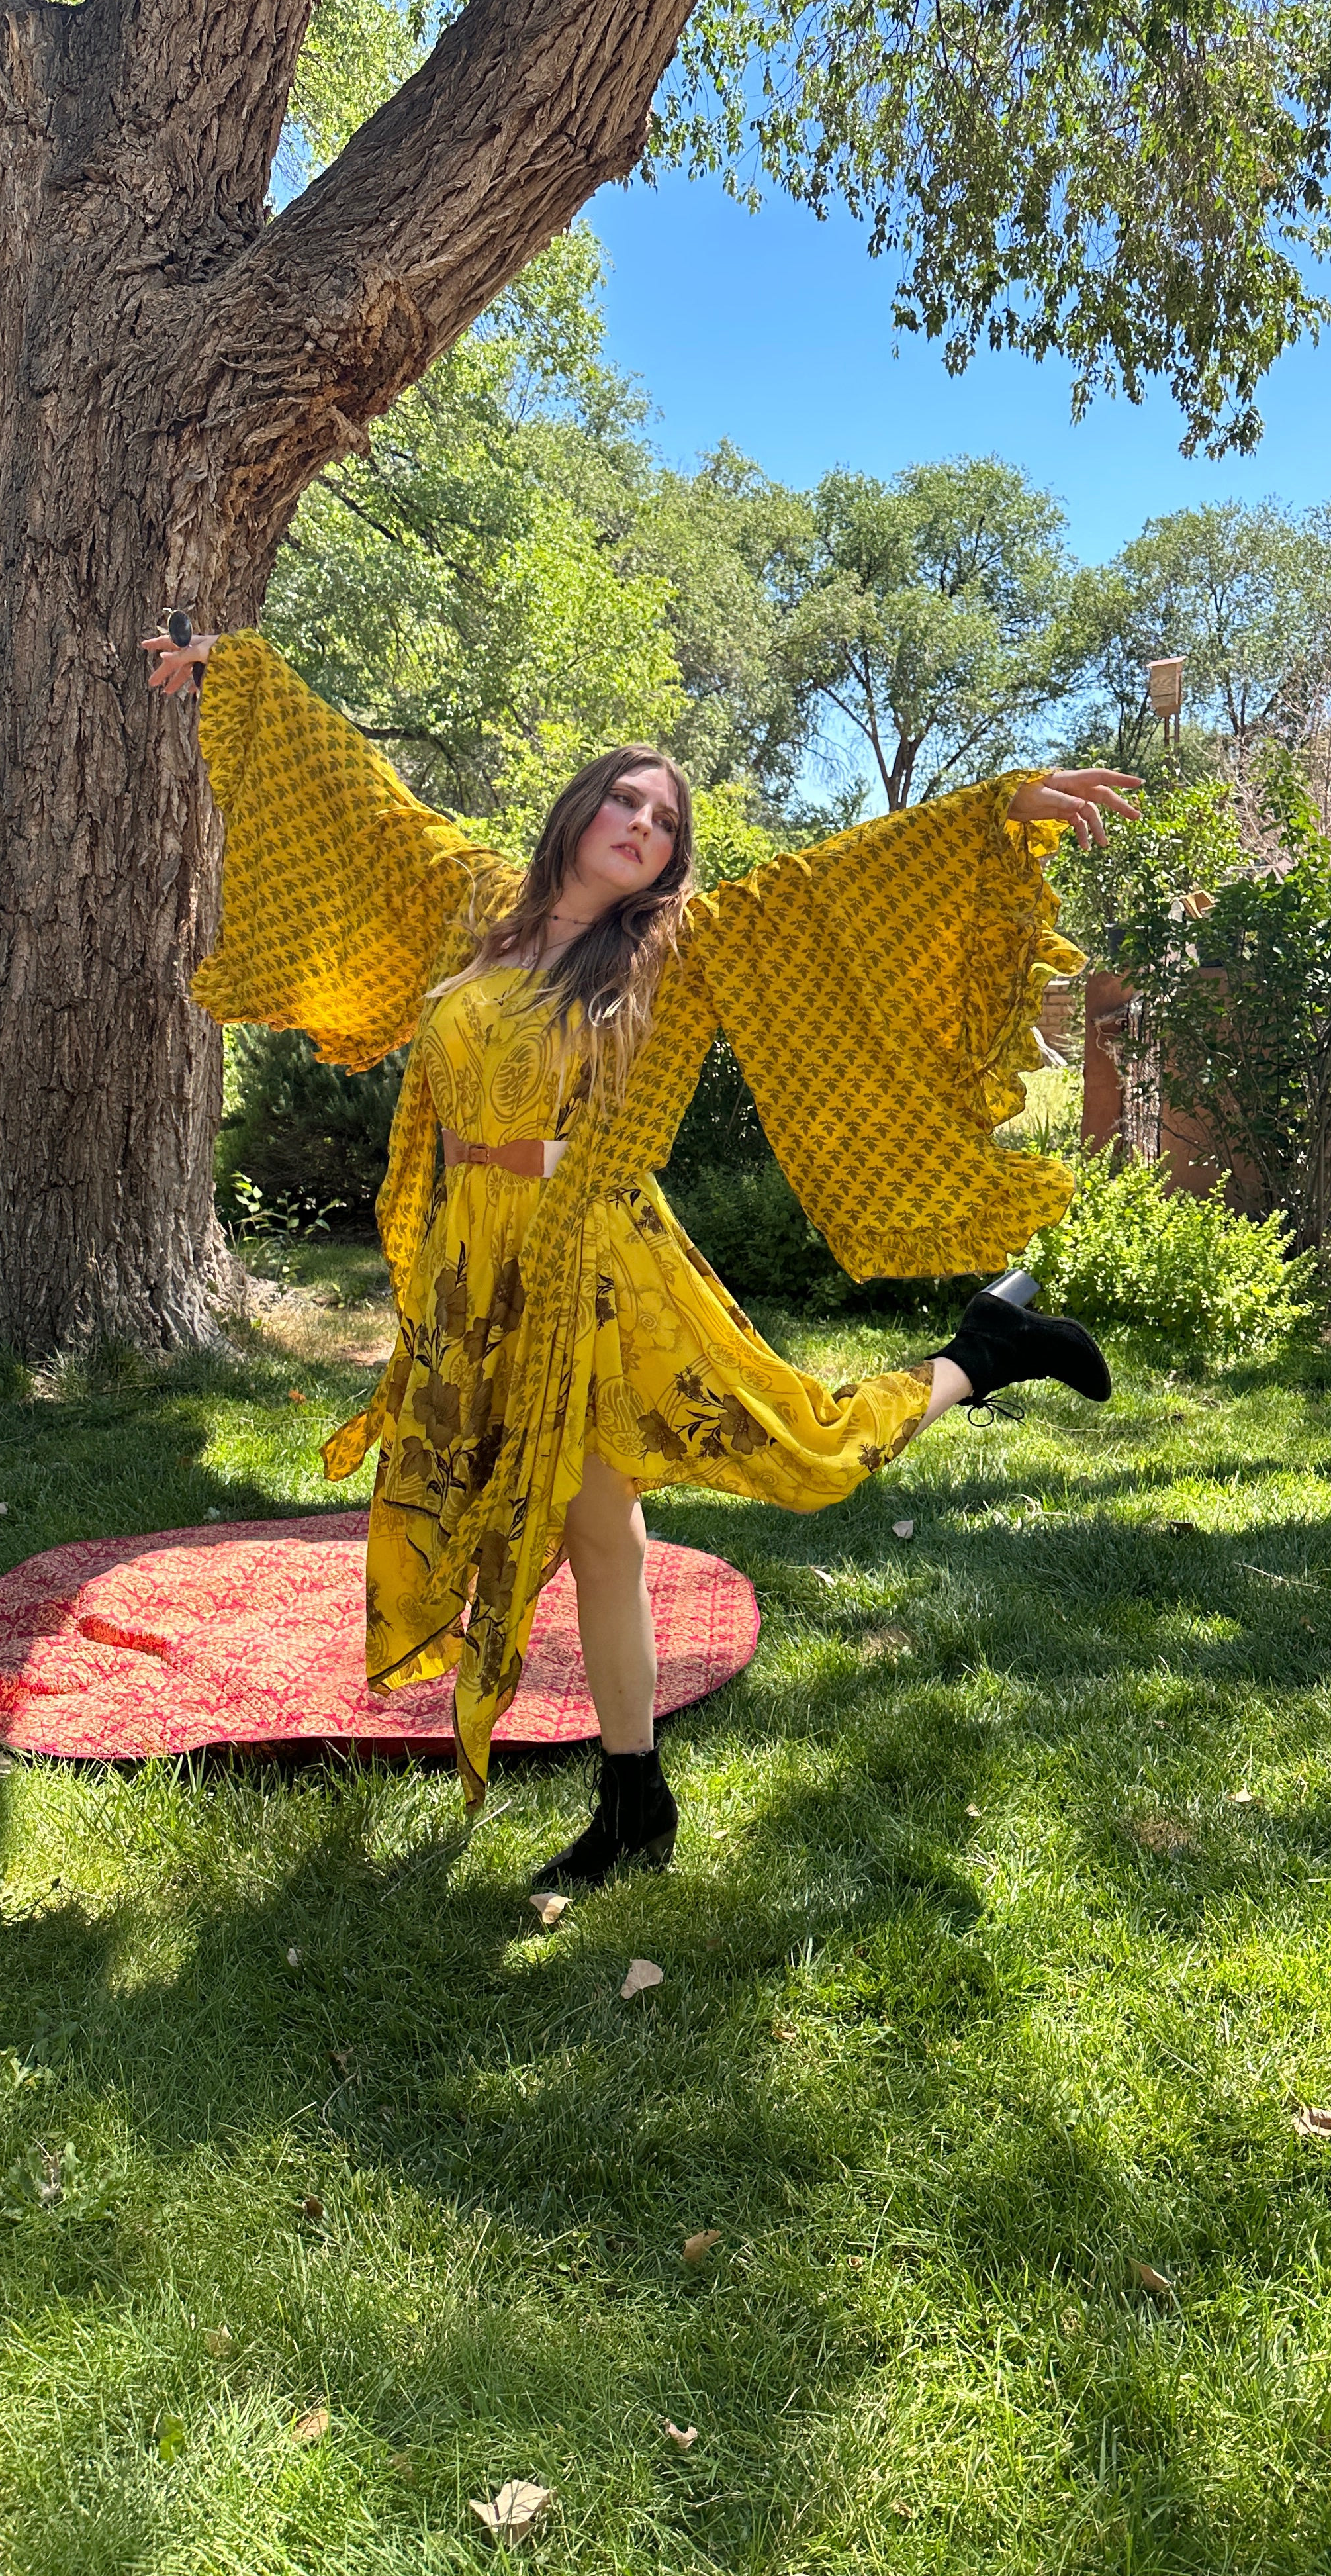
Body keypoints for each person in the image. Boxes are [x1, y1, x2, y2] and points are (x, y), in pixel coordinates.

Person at [148, 624, 1140, 1887]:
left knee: (796, 1452)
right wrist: (239, 677)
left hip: (600, 1263)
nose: (640, 823)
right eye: (623, 798)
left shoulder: (680, 947)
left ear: (673, 857)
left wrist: (993, 816)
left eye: (664, 820)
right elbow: (354, 795)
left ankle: (979, 1357)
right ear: (577, 813)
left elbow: (839, 888)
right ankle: (636, 1807)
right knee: (603, 1535)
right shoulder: (470, 904)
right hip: (480, 1268)